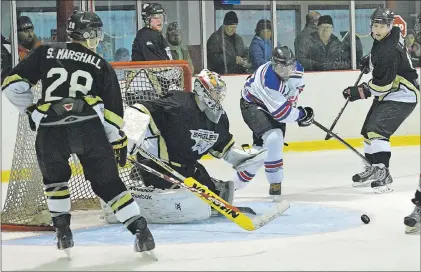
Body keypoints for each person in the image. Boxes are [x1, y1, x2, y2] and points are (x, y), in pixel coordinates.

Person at [1, 10, 155, 255]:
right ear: (92, 34)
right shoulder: (102, 65)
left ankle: (63, 232)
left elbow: (11, 85)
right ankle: (140, 230)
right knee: (108, 183)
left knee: (55, 181)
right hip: (88, 127)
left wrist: (32, 111)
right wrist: (116, 141)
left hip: (50, 129)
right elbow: (113, 118)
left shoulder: (45, 51)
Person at [121, 69, 267, 220]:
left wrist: (242, 159)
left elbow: (223, 148)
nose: (217, 96)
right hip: (158, 166)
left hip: (188, 167)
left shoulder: (219, 118)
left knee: (216, 198)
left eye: (219, 92)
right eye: (214, 91)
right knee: (191, 203)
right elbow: (142, 108)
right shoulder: (180, 103)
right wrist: (131, 132)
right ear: (201, 89)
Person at [342, 7, 419, 194]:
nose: (377, 29)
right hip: (392, 90)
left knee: (377, 130)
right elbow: (381, 58)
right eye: (375, 25)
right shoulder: (388, 36)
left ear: (389, 26)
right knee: (367, 131)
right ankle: (373, 169)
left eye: (382, 26)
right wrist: (370, 61)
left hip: (403, 93)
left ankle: (383, 174)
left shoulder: (388, 50)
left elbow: (382, 85)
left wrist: (359, 91)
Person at [237, 46, 314, 198]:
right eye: (281, 67)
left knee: (260, 151)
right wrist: (300, 115)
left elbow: (294, 93)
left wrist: (296, 111)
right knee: (274, 137)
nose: (286, 71)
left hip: (273, 106)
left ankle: (234, 185)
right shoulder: (269, 80)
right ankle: (275, 183)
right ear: (273, 65)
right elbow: (282, 114)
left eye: (289, 66)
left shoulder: (297, 71)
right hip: (253, 105)